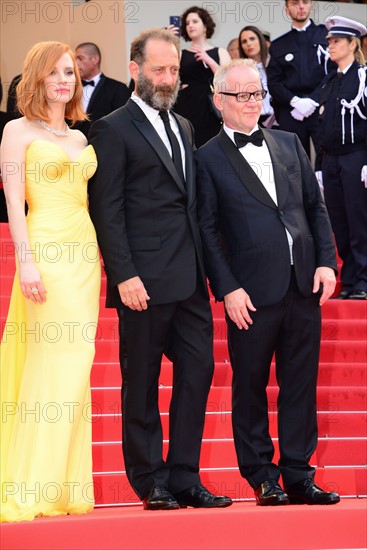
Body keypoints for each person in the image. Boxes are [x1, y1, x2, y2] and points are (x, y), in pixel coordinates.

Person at [88, 28, 232, 511]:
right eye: (159, 70)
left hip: (188, 280)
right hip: (143, 283)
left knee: (199, 373)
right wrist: (123, 274)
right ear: (134, 70)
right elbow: (107, 209)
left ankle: (186, 476)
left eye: (173, 70)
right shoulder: (112, 127)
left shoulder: (184, 126)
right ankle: (151, 480)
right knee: (143, 381)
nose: (169, 78)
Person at [195, 58, 341, 506]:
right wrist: (228, 288)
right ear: (219, 100)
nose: (251, 102)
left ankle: (299, 473)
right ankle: (262, 475)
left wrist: (326, 262)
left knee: (301, 383)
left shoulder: (289, 142)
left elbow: (313, 207)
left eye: (256, 92)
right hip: (250, 294)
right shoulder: (205, 157)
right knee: (250, 386)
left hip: (303, 285)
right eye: (241, 94)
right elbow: (206, 229)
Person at [0, 41, 101, 522]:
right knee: (56, 362)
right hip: (46, 252)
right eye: (55, 72)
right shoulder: (16, 133)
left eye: (70, 72)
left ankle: (62, 486)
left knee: (78, 363)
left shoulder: (81, 139)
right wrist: (27, 263)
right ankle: (32, 485)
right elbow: (14, 205)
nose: (65, 80)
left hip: (85, 257)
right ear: (36, 78)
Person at [316, 17, 367, 300]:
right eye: (330, 41)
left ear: (352, 44)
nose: (331, 46)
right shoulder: (329, 81)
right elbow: (321, 127)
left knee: (359, 219)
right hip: (331, 160)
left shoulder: (362, 78)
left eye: (337, 41)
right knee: (340, 221)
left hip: (355, 158)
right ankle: (350, 280)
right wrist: (319, 167)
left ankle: (363, 280)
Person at [267, 0, 336, 157]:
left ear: (311, 5)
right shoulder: (279, 45)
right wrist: (295, 102)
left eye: (305, 2)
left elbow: (333, 73)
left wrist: (314, 100)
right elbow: (274, 82)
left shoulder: (327, 37)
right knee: (293, 163)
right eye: (294, 3)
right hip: (291, 111)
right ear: (287, 10)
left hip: (321, 107)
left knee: (329, 159)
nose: (301, 6)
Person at [173, 6, 231, 147]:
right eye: (187, 23)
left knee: (213, 145)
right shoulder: (180, 53)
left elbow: (229, 80)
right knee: (188, 144)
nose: (190, 25)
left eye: (194, 21)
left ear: (205, 25)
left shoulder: (220, 52)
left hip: (212, 107)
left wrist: (209, 61)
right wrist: (169, 41)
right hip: (187, 104)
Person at [74, 42, 130, 136]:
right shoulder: (71, 89)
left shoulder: (117, 89)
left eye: (80, 58)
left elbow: (123, 123)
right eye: (74, 59)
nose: (75, 63)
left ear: (95, 59)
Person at [238, 25, 275, 128]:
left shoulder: (274, 64)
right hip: (253, 121)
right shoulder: (239, 70)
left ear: (261, 40)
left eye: (252, 39)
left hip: (277, 119)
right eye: (244, 42)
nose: (249, 44)